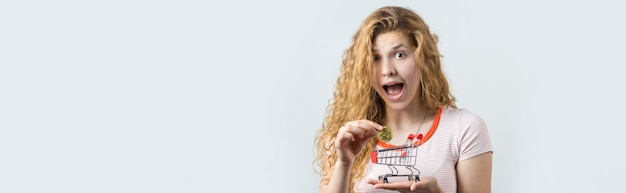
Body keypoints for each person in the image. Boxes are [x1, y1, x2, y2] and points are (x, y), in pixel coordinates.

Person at [313, 6, 493, 193]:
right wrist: (344, 163)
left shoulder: (464, 129)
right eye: (375, 58)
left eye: (400, 55)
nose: (387, 70)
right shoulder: (345, 139)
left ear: (422, 59)